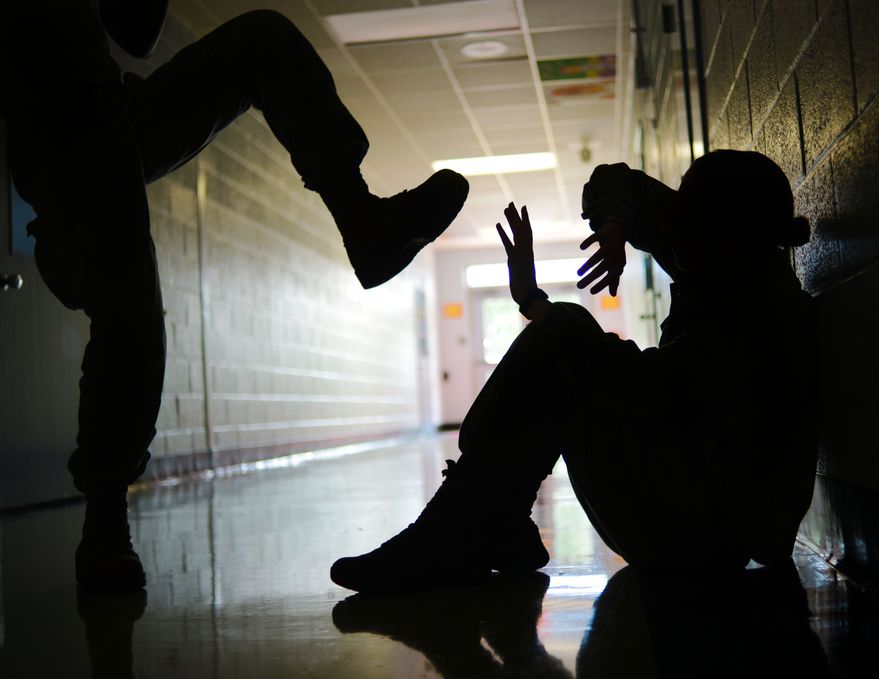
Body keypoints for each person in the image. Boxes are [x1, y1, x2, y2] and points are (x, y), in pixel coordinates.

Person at [0, 0, 468, 593]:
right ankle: (105, 522)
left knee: (264, 41)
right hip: (60, 135)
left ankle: (363, 223)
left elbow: (136, 34)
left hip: (111, 113)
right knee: (130, 316)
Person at [330, 150, 817, 594]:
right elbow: (615, 182)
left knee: (563, 330)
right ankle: (490, 525)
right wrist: (614, 225)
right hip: (698, 513)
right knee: (565, 333)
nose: (667, 225)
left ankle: (453, 534)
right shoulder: (728, 256)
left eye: (683, 214)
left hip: (695, 537)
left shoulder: (755, 313)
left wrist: (536, 305)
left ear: (725, 234)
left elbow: (640, 387)